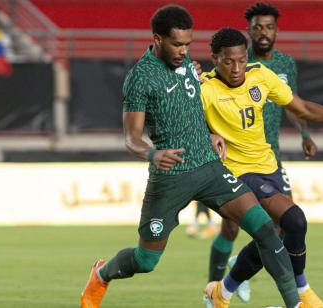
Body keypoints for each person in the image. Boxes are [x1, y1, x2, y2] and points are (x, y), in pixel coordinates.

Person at [79, 5, 307, 308]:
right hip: (171, 177)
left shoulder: (187, 63)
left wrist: (208, 133)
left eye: (187, 44)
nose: (183, 51)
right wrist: (152, 153)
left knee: (265, 228)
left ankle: (296, 305)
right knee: (146, 260)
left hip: (210, 168)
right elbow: (130, 138)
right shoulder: (140, 78)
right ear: (157, 39)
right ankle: (102, 273)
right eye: (176, 44)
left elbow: (192, 106)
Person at [201, 27, 323, 308]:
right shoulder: (204, 88)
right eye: (227, 61)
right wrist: (206, 134)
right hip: (236, 172)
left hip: (268, 165)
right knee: (295, 220)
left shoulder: (261, 75)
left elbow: (302, 108)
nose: (236, 68)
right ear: (214, 59)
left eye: (241, 60)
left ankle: (222, 292)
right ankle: (303, 294)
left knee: (274, 235)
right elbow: (179, 126)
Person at [206, 2, 319, 304]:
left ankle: (226, 285)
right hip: (236, 158)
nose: (263, 32)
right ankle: (215, 284)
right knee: (231, 226)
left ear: (277, 30)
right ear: (249, 31)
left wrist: (305, 132)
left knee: (283, 226)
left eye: (268, 27)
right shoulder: (237, 59)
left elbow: (292, 103)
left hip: (270, 155)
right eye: (257, 27)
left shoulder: (285, 64)